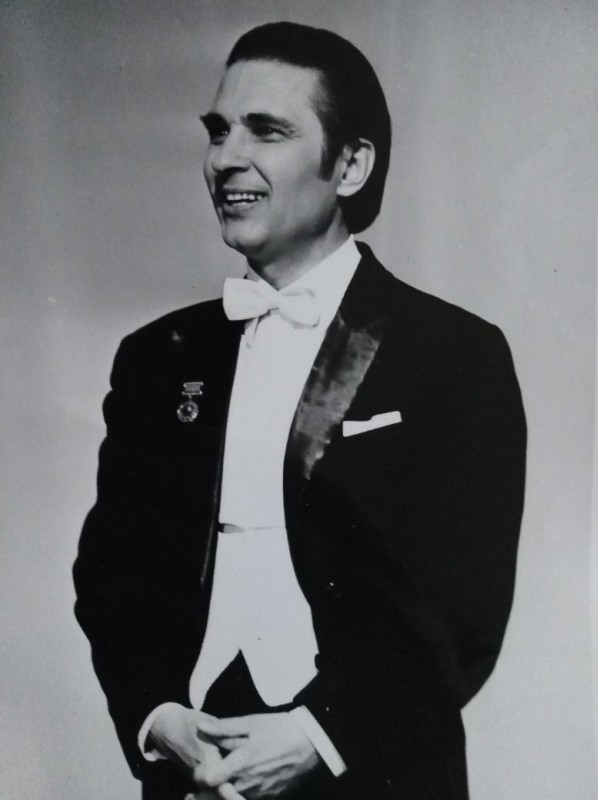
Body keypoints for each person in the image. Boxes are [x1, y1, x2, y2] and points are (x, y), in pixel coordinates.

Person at [73, 21, 527, 800]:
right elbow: (114, 570)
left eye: (267, 130)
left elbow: (464, 607)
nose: (226, 158)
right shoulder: (157, 359)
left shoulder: (454, 353)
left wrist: (321, 736)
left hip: (376, 772)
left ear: (351, 165)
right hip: (195, 774)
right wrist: (156, 714)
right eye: (219, 131)